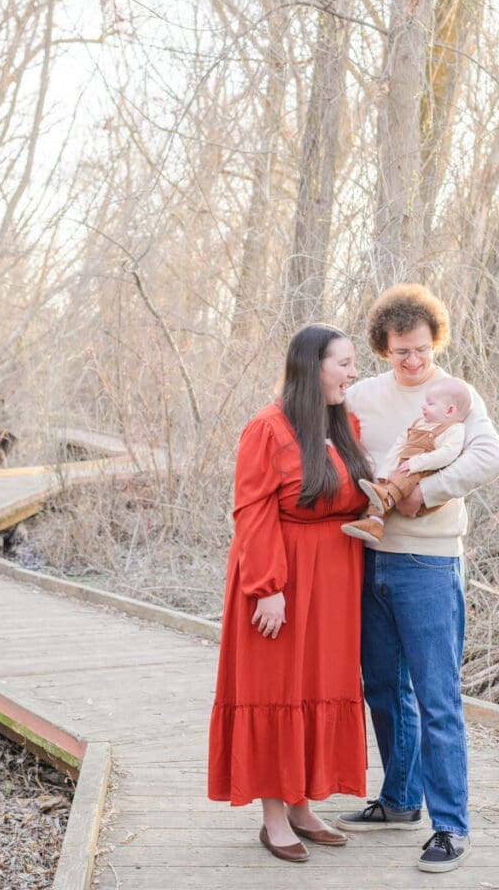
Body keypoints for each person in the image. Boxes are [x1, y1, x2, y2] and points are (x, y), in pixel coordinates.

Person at [338, 284, 499, 874]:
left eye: (422, 349)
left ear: (436, 343)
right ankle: (399, 800)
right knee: (383, 688)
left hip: (430, 563)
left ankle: (450, 827)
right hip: (367, 559)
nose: (414, 361)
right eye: (401, 350)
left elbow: (490, 458)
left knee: (436, 697)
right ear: (384, 347)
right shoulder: (361, 395)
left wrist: (426, 494)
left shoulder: (456, 395)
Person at [208, 325, 373, 863]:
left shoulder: (343, 423)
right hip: (280, 578)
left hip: (334, 582)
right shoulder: (266, 428)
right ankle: (274, 817)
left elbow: (353, 497)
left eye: (353, 364)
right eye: (343, 364)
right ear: (312, 366)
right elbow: (252, 513)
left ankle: (303, 807)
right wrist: (267, 588)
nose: (352, 373)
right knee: (276, 687)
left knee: (315, 685)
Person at [340, 376, 472, 546]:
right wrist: (385, 472)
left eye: (430, 404)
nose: (423, 406)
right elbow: (398, 446)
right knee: (387, 484)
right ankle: (374, 522)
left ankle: (386, 498)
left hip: (424, 472)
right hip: (404, 469)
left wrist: (416, 463)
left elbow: (447, 454)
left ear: (449, 411)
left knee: (404, 477)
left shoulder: (454, 429)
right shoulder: (419, 424)